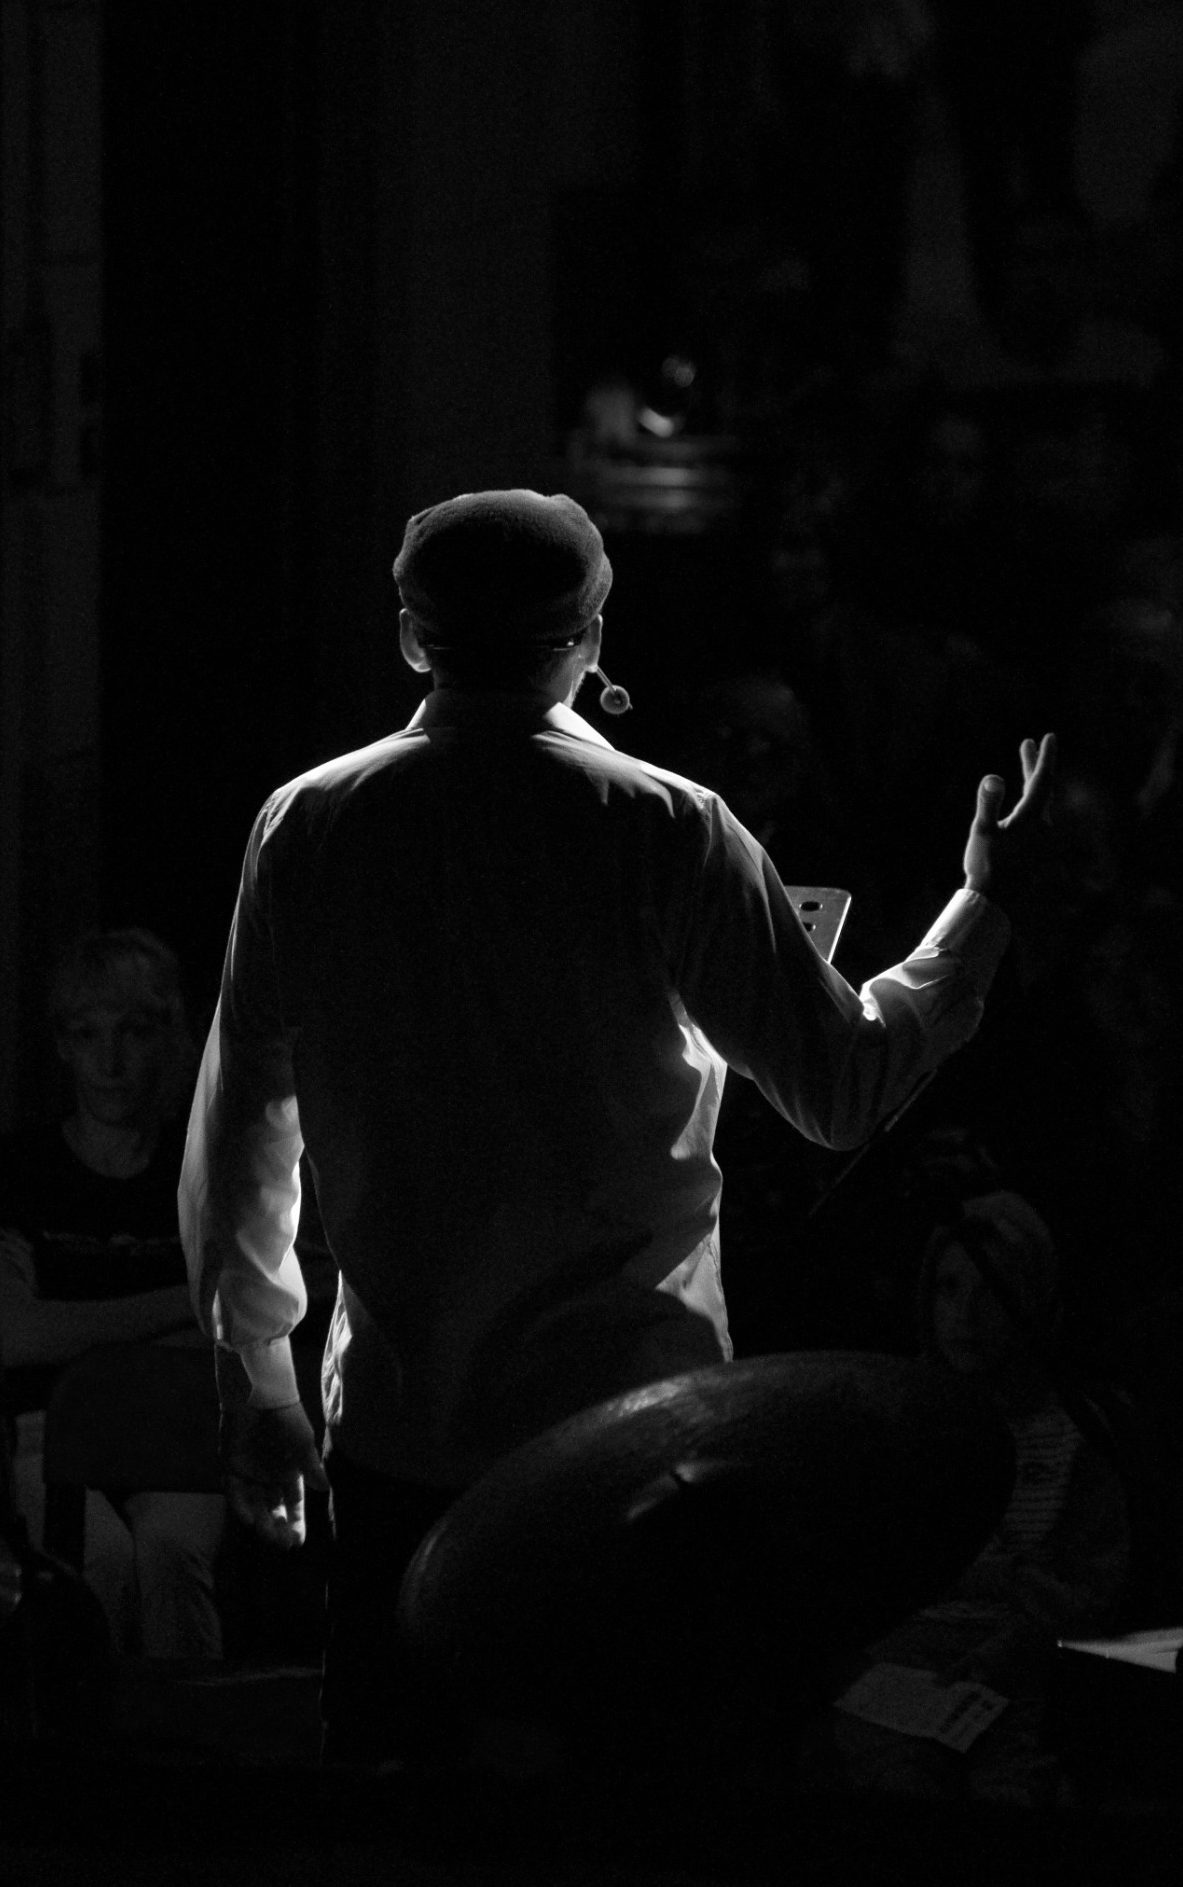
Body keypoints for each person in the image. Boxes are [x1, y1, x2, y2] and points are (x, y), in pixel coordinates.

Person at [178, 487, 1054, 1765]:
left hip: (399, 1432)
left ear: (412, 638)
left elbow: (247, 1117)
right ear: (590, 637)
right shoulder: (669, 827)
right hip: (635, 1443)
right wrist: (980, 910)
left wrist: (254, 1373)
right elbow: (843, 1089)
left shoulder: (307, 822)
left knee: (397, 1811)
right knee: (633, 1802)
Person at [806, 1190, 1131, 1808]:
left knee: (1014, 1791)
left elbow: (1091, 1581)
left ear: (1031, 1302)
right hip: (903, 1662)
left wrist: (1013, 1645)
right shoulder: (900, 1421)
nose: (966, 1315)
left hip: (1020, 1662)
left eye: (992, 1294)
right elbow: (861, 1568)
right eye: (949, 1289)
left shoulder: (1071, 1435)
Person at [0, 928, 227, 1661]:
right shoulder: (23, 1169)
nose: (111, 1059)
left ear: (167, 1034)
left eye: (132, 1031)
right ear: (62, 1046)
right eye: (87, 1033)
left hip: (181, 1418)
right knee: (93, 1562)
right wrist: (186, 1300)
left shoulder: (201, 1172)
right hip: (43, 1427)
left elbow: (236, 1324)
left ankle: (190, 1728)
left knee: (171, 1553)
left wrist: (81, 1329)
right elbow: (16, 1336)